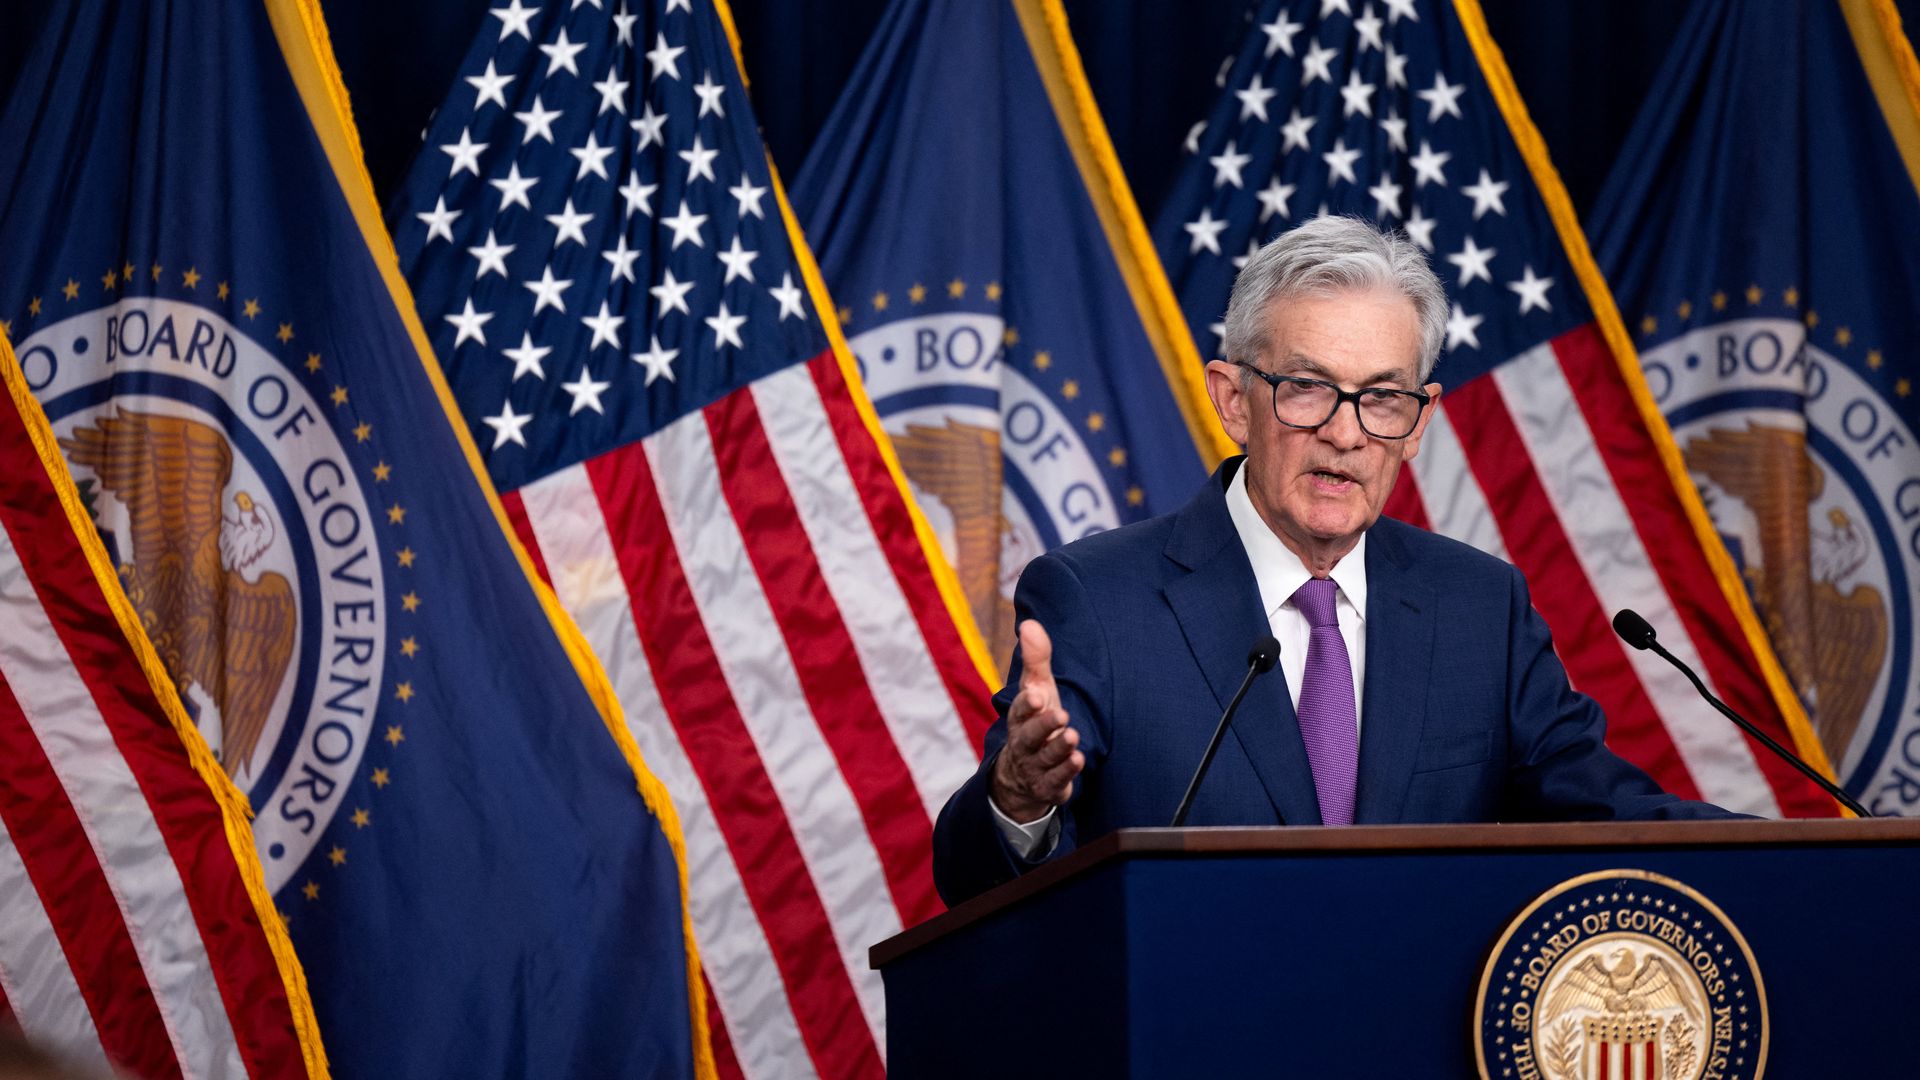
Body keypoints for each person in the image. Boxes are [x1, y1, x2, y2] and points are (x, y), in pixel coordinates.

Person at [931, 215, 1734, 906]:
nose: (1347, 434)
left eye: (1383, 397)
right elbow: (973, 882)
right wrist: (1019, 798)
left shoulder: (1479, 607)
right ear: (1234, 399)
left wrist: (1818, 850)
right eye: (1308, 388)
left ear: (1419, 423)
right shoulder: (1099, 602)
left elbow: (1605, 811)